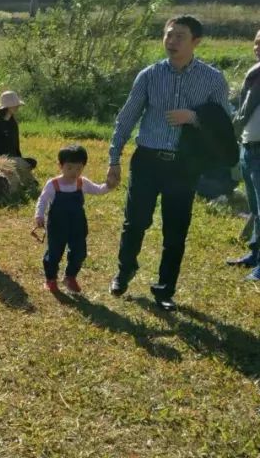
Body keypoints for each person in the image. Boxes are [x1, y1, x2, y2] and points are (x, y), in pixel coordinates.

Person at [106, 16, 231, 310]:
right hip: (147, 159)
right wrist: (114, 159)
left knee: (176, 229)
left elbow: (225, 124)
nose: (172, 42)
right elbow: (127, 117)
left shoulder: (213, 79)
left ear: (195, 42)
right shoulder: (149, 75)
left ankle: (164, 289)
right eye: (169, 35)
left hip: (184, 164)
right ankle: (124, 272)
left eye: (180, 37)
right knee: (135, 221)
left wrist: (194, 117)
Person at [34, 145, 111, 294]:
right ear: (60, 166)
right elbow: (42, 200)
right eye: (69, 168)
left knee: (79, 252)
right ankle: (50, 279)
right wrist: (39, 215)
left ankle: (70, 277)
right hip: (57, 226)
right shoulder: (53, 184)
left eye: (78, 169)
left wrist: (109, 185)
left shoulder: (82, 183)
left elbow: (98, 189)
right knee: (54, 253)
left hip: (77, 225)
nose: (74, 173)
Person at [231, 28, 260, 280]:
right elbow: (243, 111)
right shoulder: (254, 73)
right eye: (257, 42)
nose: (258, 47)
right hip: (249, 147)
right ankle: (255, 253)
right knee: (255, 207)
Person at [0, 91, 37, 169]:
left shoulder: (12, 122)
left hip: (13, 157)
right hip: (1, 159)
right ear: (7, 107)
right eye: (14, 105)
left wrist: (18, 158)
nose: (17, 107)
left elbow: (16, 145)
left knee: (32, 162)